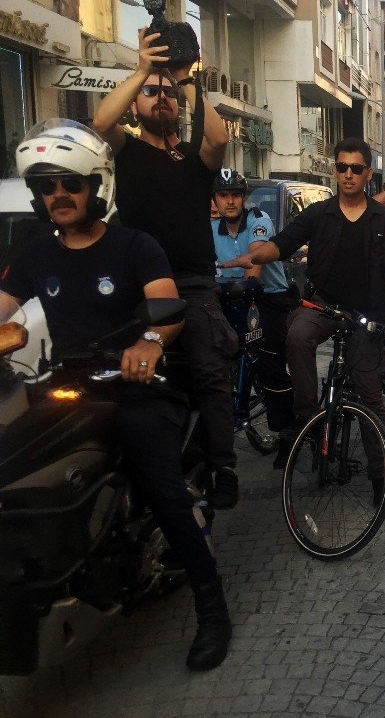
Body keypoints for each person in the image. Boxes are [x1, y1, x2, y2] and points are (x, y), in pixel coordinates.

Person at [0, 119, 231, 670]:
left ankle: (212, 609)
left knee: (164, 488)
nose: (58, 195)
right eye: (47, 186)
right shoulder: (35, 253)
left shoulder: (134, 245)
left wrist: (150, 342)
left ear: (94, 186)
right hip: (65, 386)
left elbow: (167, 306)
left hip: (135, 387)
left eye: (70, 184)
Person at [91, 28, 239, 510]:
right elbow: (101, 121)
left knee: (210, 374)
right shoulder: (127, 150)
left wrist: (184, 77)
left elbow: (219, 137)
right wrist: (142, 70)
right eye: (151, 93)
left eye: (167, 94)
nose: (161, 98)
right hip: (138, 292)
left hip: (192, 287)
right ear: (136, 104)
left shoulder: (195, 158)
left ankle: (222, 466)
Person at [221, 138, 385, 505]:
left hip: (366, 315)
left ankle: (381, 478)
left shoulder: (382, 219)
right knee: (297, 335)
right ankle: (308, 418)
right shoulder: (320, 213)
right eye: (342, 167)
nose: (348, 174)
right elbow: (283, 243)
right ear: (335, 171)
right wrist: (254, 256)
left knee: (369, 395)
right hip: (324, 306)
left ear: (368, 173)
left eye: (356, 168)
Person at [211, 168, 295, 464]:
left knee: (271, 364)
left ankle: (287, 434)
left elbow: (254, 265)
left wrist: (234, 271)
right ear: (215, 200)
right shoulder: (211, 228)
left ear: (243, 198)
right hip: (228, 297)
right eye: (223, 195)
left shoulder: (259, 220)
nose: (230, 201)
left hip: (266, 297)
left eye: (235, 195)